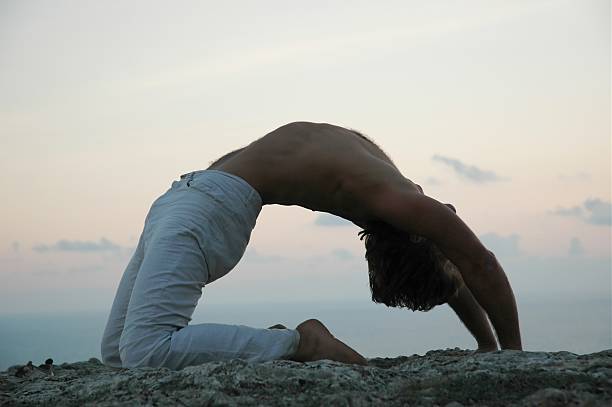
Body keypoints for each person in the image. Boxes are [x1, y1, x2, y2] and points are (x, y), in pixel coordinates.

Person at [101, 121, 522, 370]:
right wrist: (505, 350)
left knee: (143, 350)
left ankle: (304, 344)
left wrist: (498, 350)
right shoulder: (390, 193)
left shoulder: (387, 195)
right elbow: (472, 264)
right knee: (116, 354)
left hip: (206, 207)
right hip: (186, 199)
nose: (447, 216)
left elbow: (467, 264)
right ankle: (301, 343)